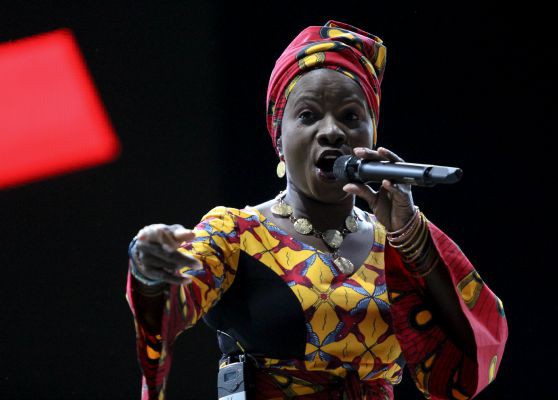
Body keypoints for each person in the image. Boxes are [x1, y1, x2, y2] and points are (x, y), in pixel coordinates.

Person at [125, 20, 508, 400]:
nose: (332, 131)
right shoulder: (236, 233)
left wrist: (413, 239)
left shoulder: (394, 242)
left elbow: (473, 358)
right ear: (279, 137)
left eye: (351, 116)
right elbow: (171, 306)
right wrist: (149, 269)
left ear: (373, 134)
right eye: (308, 116)